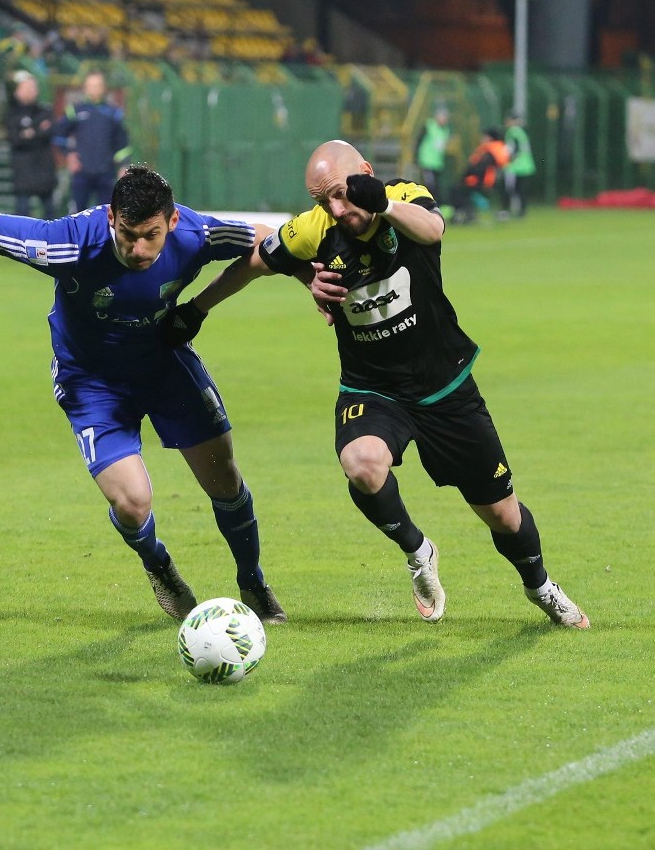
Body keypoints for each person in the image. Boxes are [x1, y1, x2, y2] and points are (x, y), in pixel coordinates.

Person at [162, 139, 589, 629]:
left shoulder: (404, 198)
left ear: (365, 173)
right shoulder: (314, 229)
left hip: (445, 387)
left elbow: (433, 229)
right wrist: (199, 309)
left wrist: (383, 202)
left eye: (343, 195)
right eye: (323, 201)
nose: (336, 210)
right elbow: (258, 260)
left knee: (504, 516)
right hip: (373, 389)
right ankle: (418, 551)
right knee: (362, 465)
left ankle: (540, 587)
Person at [0, 164, 286, 625]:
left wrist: (295, 287)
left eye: (150, 235)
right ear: (111, 218)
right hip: (91, 382)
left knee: (223, 479)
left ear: (171, 222)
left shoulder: (196, 231)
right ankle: (159, 565)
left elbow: (273, 245)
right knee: (131, 502)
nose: (138, 249)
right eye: (127, 234)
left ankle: (253, 582)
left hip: (164, 364)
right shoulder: (69, 242)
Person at [52, 70, 131, 212]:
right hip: (82, 172)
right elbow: (59, 134)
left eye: (98, 85)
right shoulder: (75, 110)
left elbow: (122, 143)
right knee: (78, 214)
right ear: (85, 88)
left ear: (104, 87)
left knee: (108, 214)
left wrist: (123, 165)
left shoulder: (114, 113)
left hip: (106, 173)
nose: (94, 89)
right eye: (91, 85)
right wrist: (69, 155)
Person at [4, 71, 57, 219]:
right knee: (22, 213)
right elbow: (16, 139)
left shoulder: (45, 110)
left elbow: (50, 130)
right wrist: (38, 129)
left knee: (50, 213)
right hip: (23, 170)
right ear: (17, 91)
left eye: (33, 87)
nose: (31, 91)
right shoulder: (11, 113)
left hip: (44, 169)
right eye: (26, 88)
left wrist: (29, 132)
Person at [448, 128, 509, 224]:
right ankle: (466, 214)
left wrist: (467, 176)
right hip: (487, 181)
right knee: (460, 189)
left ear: (489, 138)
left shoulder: (488, 151)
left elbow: (480, 168)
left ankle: (464, 214)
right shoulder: (498, 149)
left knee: (457, 190)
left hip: (482, 182)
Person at [500, 112, 536, 218]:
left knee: (508, 189)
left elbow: (511, 149)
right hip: (526, 166)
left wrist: (507, 160)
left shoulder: (512, 131)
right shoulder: (521, 132)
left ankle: (504, 212)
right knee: (521, 191)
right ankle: (522, 212)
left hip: (515, 166)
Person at [413, 105, 450, 201]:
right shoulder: (428, 126)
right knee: (429, 185)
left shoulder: (445, 130)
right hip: (426, 161)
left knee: (437, 187)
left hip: (437, 163)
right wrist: (416, 158)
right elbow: (418, 141)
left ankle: (435, 206)